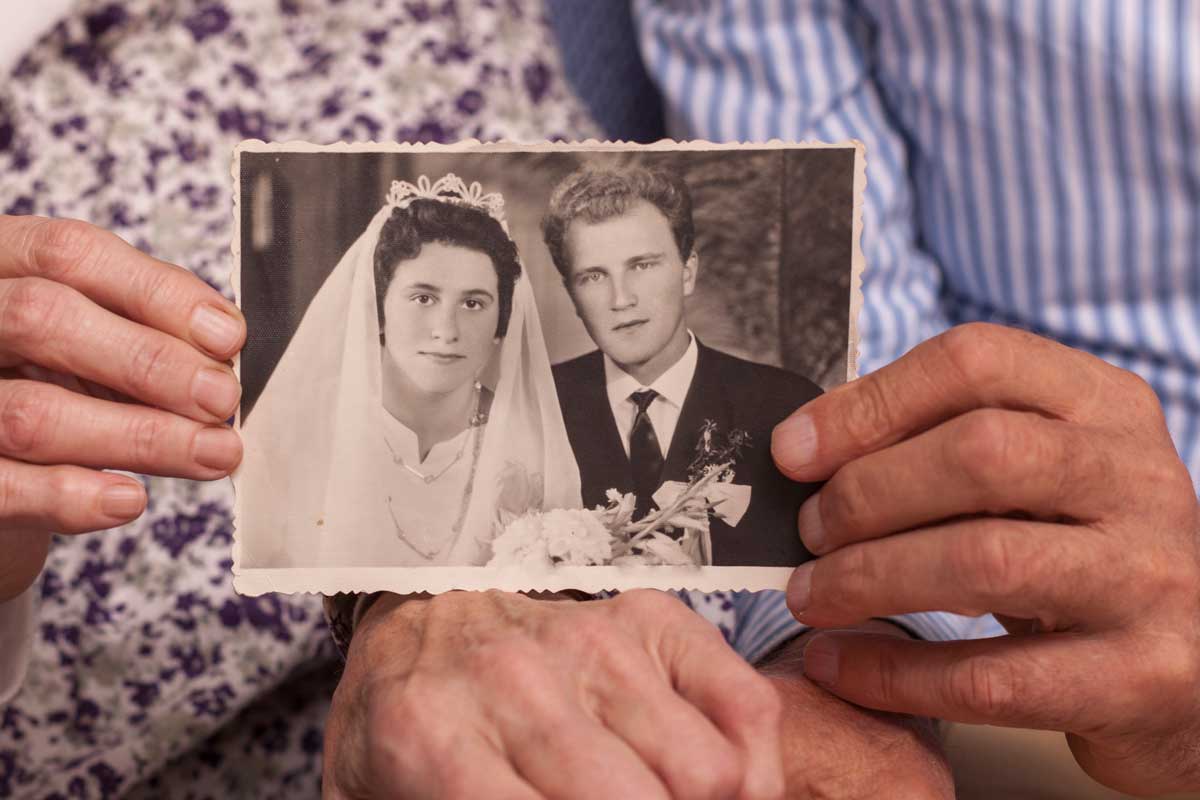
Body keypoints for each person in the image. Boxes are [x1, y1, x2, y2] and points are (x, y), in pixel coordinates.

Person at [238, 173, 579, 568]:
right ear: (377, 309)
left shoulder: (530, 444)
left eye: (473, 304)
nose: (446, 331)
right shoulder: (295, 435)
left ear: (500, 326)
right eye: (423, 297)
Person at [544, 165, 822, 566]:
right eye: (593, 276)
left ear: (688, 272)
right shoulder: (534, 408)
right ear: (572, 296)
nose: (621, 298)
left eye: (642, 265)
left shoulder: (787, 406)